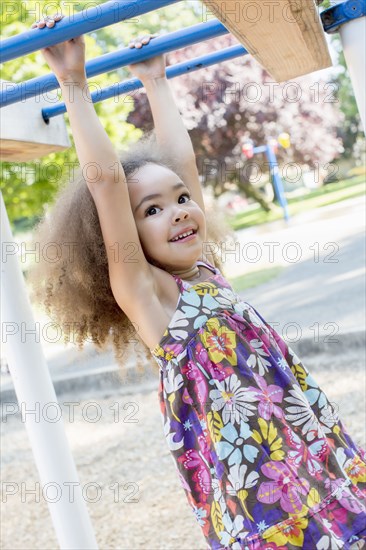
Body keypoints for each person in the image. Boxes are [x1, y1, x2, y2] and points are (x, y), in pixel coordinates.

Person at [30, 15, 366, 550]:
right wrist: (73, 83)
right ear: (125, 237)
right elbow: (108, 185)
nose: (180, 212)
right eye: (154, 210)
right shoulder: (151, 295)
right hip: (253, 478)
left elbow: (180, 161)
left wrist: (156, 80)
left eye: (182, 199)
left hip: (300, 440)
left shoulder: (205, 269)